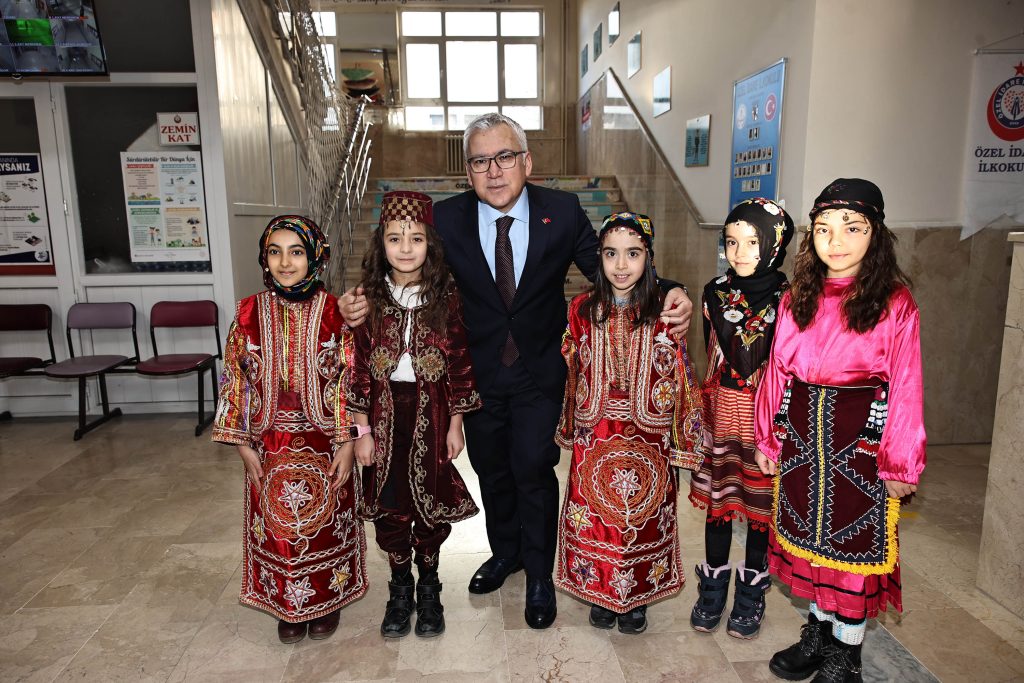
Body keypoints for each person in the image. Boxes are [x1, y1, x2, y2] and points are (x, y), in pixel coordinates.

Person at [341, 113, 693, 629]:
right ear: (467, 172)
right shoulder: (446, 219)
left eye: (505, 156)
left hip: (539, 371)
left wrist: (671, 290)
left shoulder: (561, 211)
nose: (494, 170)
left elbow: (610, 267)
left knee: (532, 467)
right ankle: (505, 552)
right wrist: (358, 301)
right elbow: (402, 267)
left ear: (527, 161)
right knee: (491, 470)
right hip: (475, 375)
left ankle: (539, 574)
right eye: (480, 161)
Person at [753, 179, 925, 681]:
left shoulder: (895, 302)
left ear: (876, 234)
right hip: (804, 439)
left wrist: (900, 462)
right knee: (811, 548)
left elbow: (907, 384)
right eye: (824, 229)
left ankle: (845, 655)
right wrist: (768, 437)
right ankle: (818, 636)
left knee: (851, 553)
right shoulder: (797, 298)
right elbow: (777, 370)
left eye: (852, 228)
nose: (836, 240)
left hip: (860, 443)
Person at [212, 215, 367, 644]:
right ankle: (288, 605)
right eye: (275, 252)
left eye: (296, 252)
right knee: (279, 528)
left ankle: (327, 601)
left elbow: (350, 380)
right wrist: (243, 445)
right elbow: (235, 379)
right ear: (264, 258)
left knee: (325, 523)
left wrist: (348, 442)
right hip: (269, 443)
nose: (285, 262)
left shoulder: (336, 313)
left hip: (326, 441)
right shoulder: (248, 312)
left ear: (315, 258)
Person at [555, 212, 703, 634]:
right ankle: (600, 588)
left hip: (648, 435)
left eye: (633, 254)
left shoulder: (665, 309)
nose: (621, 265)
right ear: (599, 257)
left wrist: (684, 438)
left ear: (649, 257)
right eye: (611, 254)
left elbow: (681, 373)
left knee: (644, 517)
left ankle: (636, 596)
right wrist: (571, 423)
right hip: (596, 432)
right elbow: (572, 367)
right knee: (597, 516)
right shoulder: (581, 308)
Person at [347, 191, 481, 639]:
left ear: (430, 244)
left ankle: (429, 588)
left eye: (416, 238)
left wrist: (457, 424)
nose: (405, 248)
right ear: (381, 243)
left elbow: (460, 361)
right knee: (390, 503)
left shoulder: (447, 296)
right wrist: (362, 432)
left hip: (433, 414)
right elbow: (358, 368)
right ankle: (400, 588)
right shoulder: (368, 299)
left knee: (429, 502)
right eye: (395, 238)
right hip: (383, 417)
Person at [688, 198, 795, 639]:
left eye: (753, 242)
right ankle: (713, 587)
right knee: (720, 501)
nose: (740, 252)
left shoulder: (791, 298)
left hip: (766, 417)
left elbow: (780, 362)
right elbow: (715, 352)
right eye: (731, 242)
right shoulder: (714, 291)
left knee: (758, 509)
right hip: (723, 409)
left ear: (774, 245)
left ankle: (751, 593)